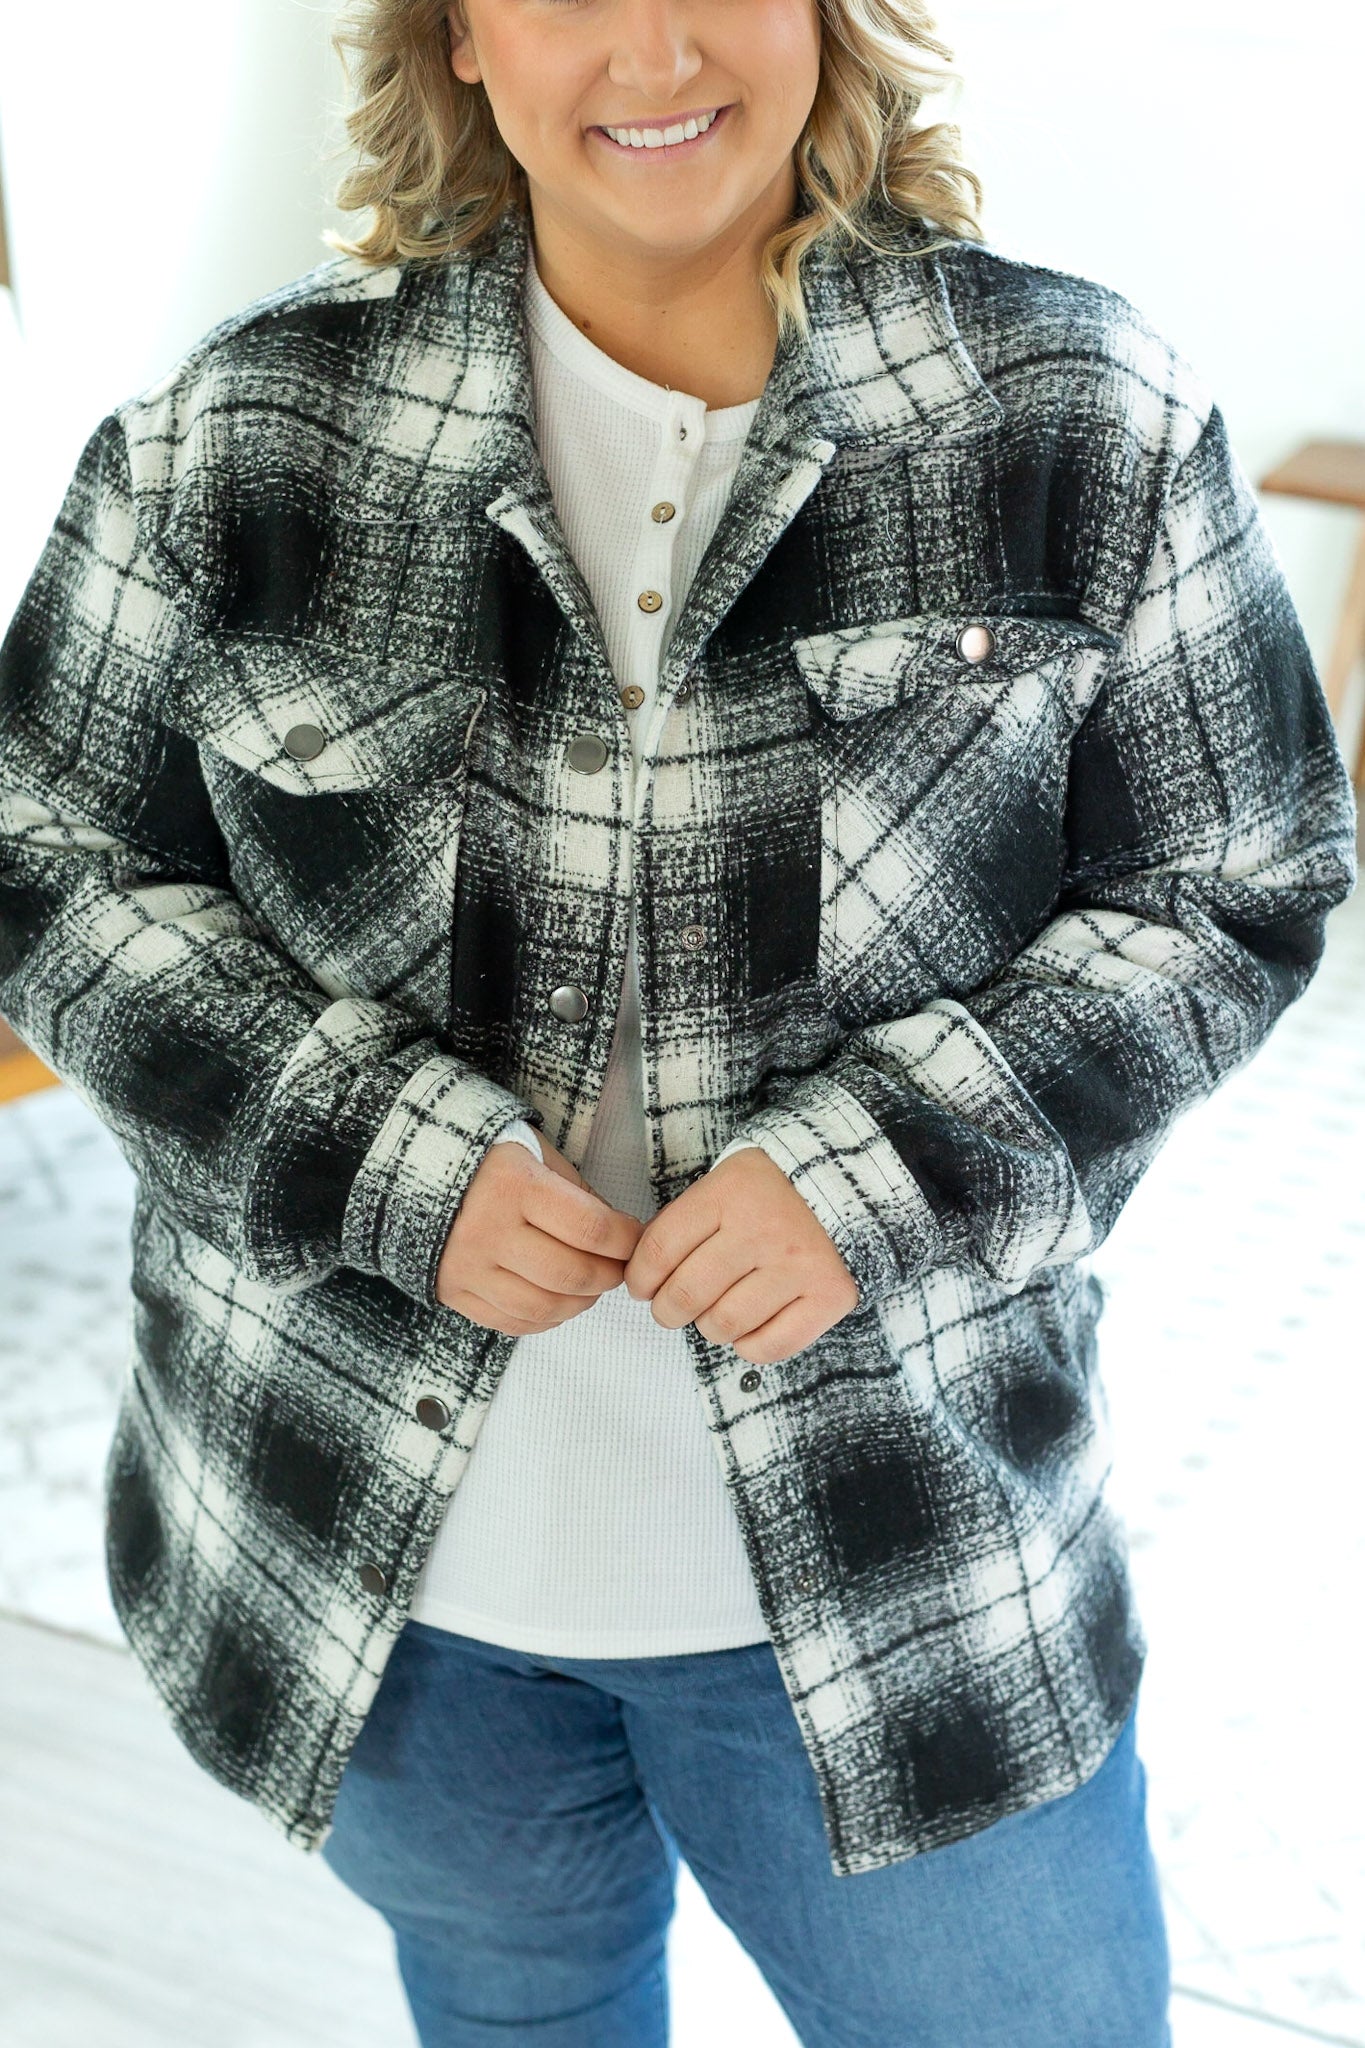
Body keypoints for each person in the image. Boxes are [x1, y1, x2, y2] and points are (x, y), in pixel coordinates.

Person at [0, 0, 1357, 2039]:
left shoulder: (1082, 411)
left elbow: (1231, 879)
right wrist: (370, 1153)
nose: (650, 48)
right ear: (459, 35)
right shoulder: (231, 433)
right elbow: (42, 858)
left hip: (905, 1586)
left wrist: (879, 1170)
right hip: (375, 1585)